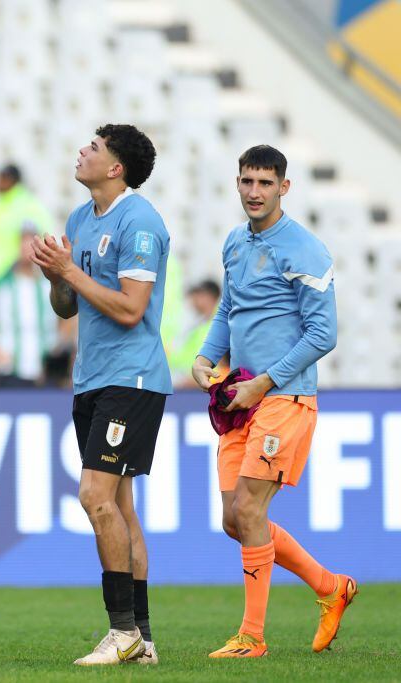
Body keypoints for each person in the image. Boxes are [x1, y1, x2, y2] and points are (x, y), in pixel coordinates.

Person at [192, 145, 354, 659]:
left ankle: (252, 637)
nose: (254, 192)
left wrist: (265, 381)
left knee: (248, 508)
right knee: (233, 519)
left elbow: (324, 333)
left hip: (283, 395)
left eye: (265, 183)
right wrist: (206, 354)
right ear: (237, 184)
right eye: (247, 182)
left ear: (285, 187)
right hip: (241, 395)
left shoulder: (305, 249)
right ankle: (330, 587)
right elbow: (230, 307)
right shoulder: (235, 244)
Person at [32, 124, 170, 665]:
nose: (82, 151)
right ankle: (144, 639)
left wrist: (69, 269)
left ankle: (121, 632)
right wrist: (55, 276)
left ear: (116, 168)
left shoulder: (140, 222)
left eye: (94, 148)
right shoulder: (78, 219)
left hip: (131, 378)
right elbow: (69, 308)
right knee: (120, 508)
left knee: (94, 496)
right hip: (92, 378)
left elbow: (132, 308)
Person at [0, 226, 59, 387]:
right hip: (9, 369)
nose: (28, 251)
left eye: (32, 246)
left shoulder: (48, 285)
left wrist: (57, 348)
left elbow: (67, 316)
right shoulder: (3, 284)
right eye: (24, 245)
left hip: (44, 371)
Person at [168, 279, 221, 388]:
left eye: (198, 294)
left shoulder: (219, 326)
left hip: (202, 385)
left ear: (209, 297)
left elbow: (221, 367)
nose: (193, 299)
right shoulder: (199, 324)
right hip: (187, 380)